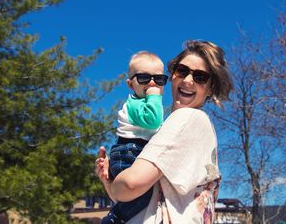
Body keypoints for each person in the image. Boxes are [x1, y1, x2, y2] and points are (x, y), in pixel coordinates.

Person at [96, 40, 233, 223]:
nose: (187, 80)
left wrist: (114, 187)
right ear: (173, 75)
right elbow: (139, 199)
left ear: (210, 89)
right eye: (182, 71)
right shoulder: (192, 126)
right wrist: (110, 183)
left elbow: (130, 185)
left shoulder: (186, 118)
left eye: (200, 77)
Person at [102, 51, 168, 224]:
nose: (152, 83)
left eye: (159, 79)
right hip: (130, 151)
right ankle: (115, 217)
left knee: (139, 193)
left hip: (131, 151)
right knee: (142, 193)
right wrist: (154, 95)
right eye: (144, 78)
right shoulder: (135, 103)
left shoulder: (144, 104)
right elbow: (153, 122)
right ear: (131, 85)